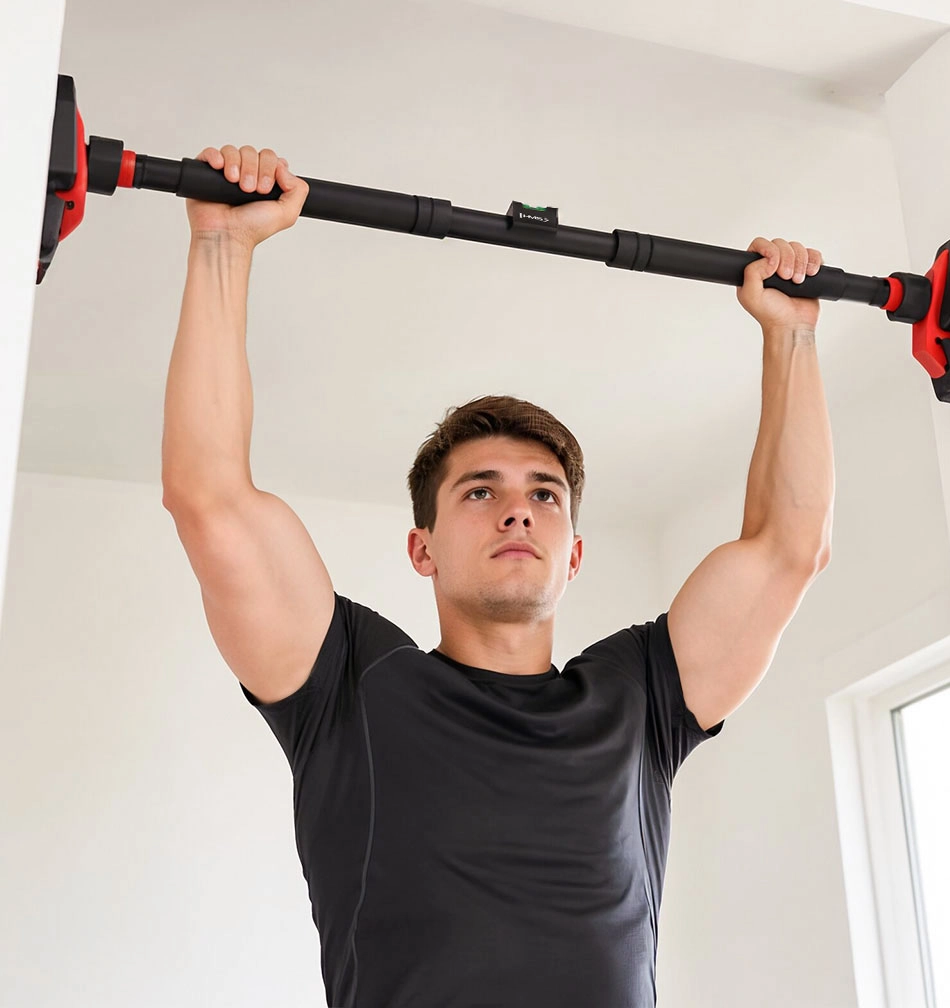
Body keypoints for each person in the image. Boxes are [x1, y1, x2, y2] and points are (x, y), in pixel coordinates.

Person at [162, 145, 834, 1008]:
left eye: (544, 495)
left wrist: (793, 335)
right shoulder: (349, 686)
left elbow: (789, 547)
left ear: (573, 555)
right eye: (480, 491)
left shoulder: (639, 699)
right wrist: (222, 247)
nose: (518, 512)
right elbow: (210, 498)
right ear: (424, 549)